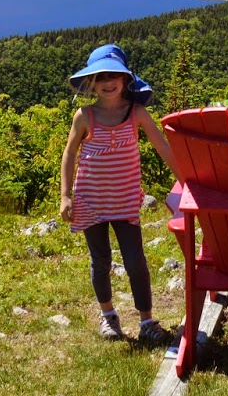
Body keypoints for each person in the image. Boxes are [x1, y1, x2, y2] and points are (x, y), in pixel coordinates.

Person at [59, 44, 181, 343]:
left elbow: (162, 146)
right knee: (99, 260)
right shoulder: (84, 116)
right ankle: (109, 316)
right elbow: (69, 154)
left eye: (114, 75)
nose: (108, 82)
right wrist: (65, 195)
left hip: (124, 199)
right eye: (101, 77)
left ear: (126, 79)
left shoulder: (136, 112)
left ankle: (147, 320)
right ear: (91, 82)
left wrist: (186, 180)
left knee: (135, 260)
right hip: (90, 199)